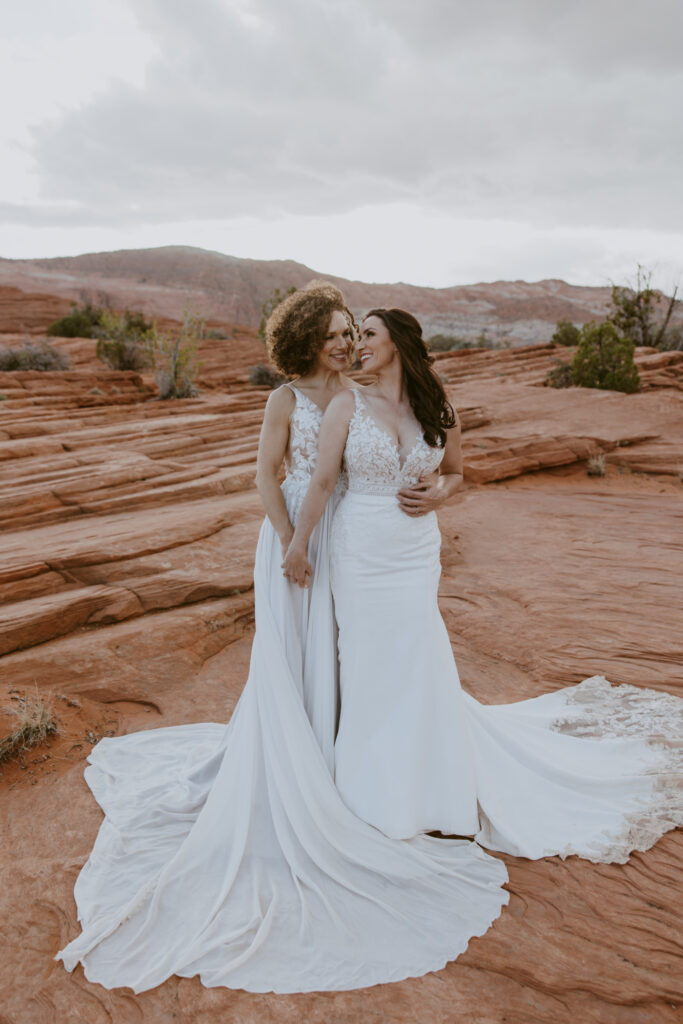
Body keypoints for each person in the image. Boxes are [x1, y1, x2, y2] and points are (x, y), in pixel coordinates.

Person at [55, 286, 509, 995]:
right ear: (304, 336)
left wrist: (427, 490)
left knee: (349, 657)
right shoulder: (287, 398)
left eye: (347, 332)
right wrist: (286, 540)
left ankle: (348, 763)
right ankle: (301, 763)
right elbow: (271, 474)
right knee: (302, 653)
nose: (341, 342)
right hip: (302, 535)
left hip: (354, 539)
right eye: (331, 333)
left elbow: (422, 448)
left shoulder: (362, 390)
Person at [283, 307, 682, 861]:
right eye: (355, 336)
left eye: (368, 334)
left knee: (419, 655)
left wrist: (440, 495)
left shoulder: (436, 406)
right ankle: (374, 794)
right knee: (369, 659)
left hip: (415, 550)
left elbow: (455, 472)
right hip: (362, 550)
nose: (357, 345)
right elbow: (324, 480)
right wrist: (298, 545)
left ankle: (435, 789)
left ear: (397, 343)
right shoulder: (347, 403)